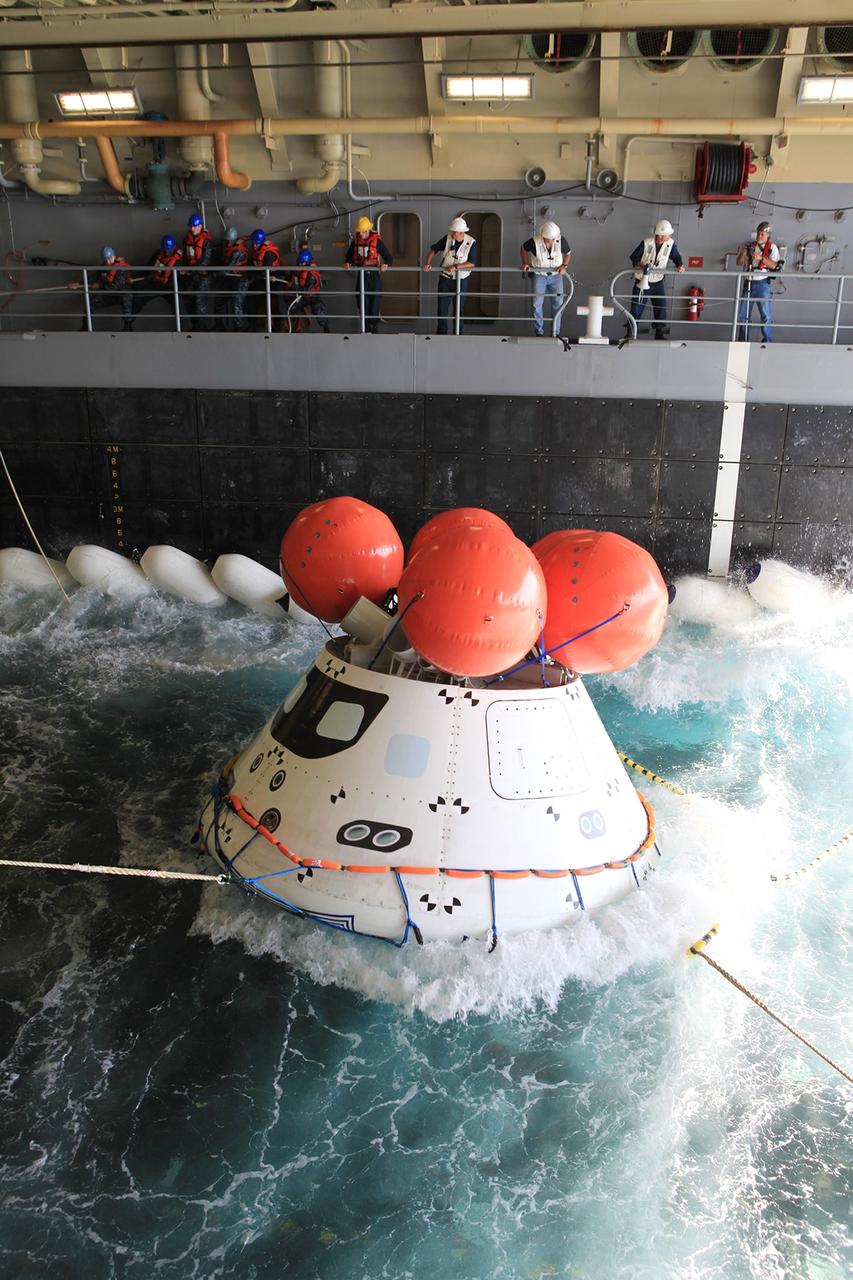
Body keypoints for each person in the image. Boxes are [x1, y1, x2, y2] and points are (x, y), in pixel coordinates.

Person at [628, 219, 685, 339]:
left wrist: (680, 265)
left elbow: (676, 256)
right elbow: (634, 257)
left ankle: (659, 332)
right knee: (636, 308)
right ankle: (630, 333)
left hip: (658, 281)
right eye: (665, 235)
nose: (667, 237)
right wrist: (642, 266)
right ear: (659, 235)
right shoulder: (646, 242)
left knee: (661, 306)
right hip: (642, 281)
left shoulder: (670, 244)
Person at [423, 216, 478, 335]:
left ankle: (458, 333)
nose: (452, 233)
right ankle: (441, 333)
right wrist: (427, 263)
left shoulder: (471, 242)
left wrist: (456, 267)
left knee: (459, 308)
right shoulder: (447, 238)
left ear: (461, 232)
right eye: (452, 231)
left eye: (454, 231)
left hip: (461, 279)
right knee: (442, 307)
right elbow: (433, 250)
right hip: (445, 278)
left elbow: (472, 263)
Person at [520, 220, 572, 337]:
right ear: (543, 236)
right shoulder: (534, 242)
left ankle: (555, 332)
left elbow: (568, 253)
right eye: (550, 239)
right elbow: (523, 248)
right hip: (540, 275)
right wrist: (525, 263)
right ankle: (539, 331)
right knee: (537, 303)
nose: (553, 241)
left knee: (558, 303)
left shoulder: (561, 240)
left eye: (554, 238)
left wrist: (564, 266)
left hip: (556, 276)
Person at [344, 216, 392, 333]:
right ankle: (365, 328)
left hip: (374, 275)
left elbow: (388, 257)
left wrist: (386, 265)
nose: (360, 234)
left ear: (367, 231)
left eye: (362, 231)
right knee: (362, 301)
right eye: (359, 232)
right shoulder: (355, 243)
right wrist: (348, 263)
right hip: (362, 275)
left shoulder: (377, 242)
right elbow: (349, 256)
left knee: (375, 301)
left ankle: (374, 327)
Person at [68, 245, 133, 331]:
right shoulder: (104, 266)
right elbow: (93, 277)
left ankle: (127, 327)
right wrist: (78, 283)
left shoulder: (122, 268)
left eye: (110, 258)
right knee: (90, 302)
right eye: (106, 260)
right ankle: (85, 327)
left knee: (127, 297)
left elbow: (115, 285)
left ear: (114, 256)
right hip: (108, 294)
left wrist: (99, 286)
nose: (108, 262)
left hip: (120, 294)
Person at [736, 221, 780, 344]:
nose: (759, 236)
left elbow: (774, 266)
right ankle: (742, 341)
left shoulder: (772, 248)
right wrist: (743, 253)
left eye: (762, 234)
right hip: (748, 283)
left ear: (767, 235)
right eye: (758, 234)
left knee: (766, 316)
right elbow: (739, 262)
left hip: (762, 284)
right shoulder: (750, 246)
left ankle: (767, 341)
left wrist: (761, 259)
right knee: (743, 315)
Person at [132, 234, 182, 326]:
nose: (167, 252)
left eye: (169, 250)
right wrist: (134, 277)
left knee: (179, 305)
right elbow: (148, 268)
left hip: (170, 287)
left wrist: (160, 279)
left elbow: (175, 281)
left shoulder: (177, 261)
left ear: (174, 247)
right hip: (156, 284)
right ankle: (128, 324)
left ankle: (181, 328)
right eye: (165, 249)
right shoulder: (158, 254)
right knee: (138, 298)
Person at [285, 249, 330, 334]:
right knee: (290, 308)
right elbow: (291, 276)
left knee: (318, 309)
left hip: (312, 296)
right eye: (300, 262)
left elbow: (305, 291)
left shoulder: (311, 275)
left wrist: (293, 286)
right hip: (301, 296)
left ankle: (326, 329)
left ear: (308, 263)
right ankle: (295, 328)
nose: (301, 265)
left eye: (303, 263)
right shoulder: (297, 270)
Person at [182, 212, 214, 331]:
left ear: (200, 226)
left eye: (194, 226)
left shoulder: (207, 242)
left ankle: (202, 327)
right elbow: (185, 258)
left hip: (202, 277)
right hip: (190, 276)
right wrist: (184, 270)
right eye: (191, 226)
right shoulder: (186, 240)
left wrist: (190, 271)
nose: (192, 228)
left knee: (200, 302)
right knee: (188, 300)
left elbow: (205, 261)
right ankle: (195, 325)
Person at [248, 228, 284, 330]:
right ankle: (252, 325)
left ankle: (279, 326)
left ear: (261, 243)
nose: (254, 246)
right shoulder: (257, 252)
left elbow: (265, 271)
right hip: (262, 280)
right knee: (251, 299)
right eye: (253, 243)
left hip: (274, 280)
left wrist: (253, 277)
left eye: (256, 244)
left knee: (278, 302)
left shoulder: (268, 253)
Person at [219, 227, 250, 332]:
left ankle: (241, 326)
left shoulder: (237, 252)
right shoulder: (231, 249)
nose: (227, 242)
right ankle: (222, 324)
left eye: (228, 240)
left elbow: (228, 267)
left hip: (241, 280)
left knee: (237, 302)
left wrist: (214, 273)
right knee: (221, 300)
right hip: (233, 280)